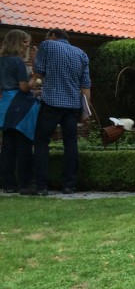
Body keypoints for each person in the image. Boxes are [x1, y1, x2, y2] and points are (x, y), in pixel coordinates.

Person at [29, 29, 91, 195]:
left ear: (53, 36)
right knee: (71, 144)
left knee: (41, 142)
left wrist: (35, 59)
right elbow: (85, 84)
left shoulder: (47, 45)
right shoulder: (81, 54)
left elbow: (39, 72)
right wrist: (86, 111)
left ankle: (41, 186)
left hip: (51, 102)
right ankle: (69, 185)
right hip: (72, 105)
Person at [0, 30, 39, 193]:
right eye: (25, 42)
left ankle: (8, 185)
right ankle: (25, 184)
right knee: (24, 147)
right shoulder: (17, 62)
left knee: (8, 148)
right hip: (20, 107)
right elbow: (24, 87)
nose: (27, 45)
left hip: (4, 106)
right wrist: (35, 77)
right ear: (17, 43)